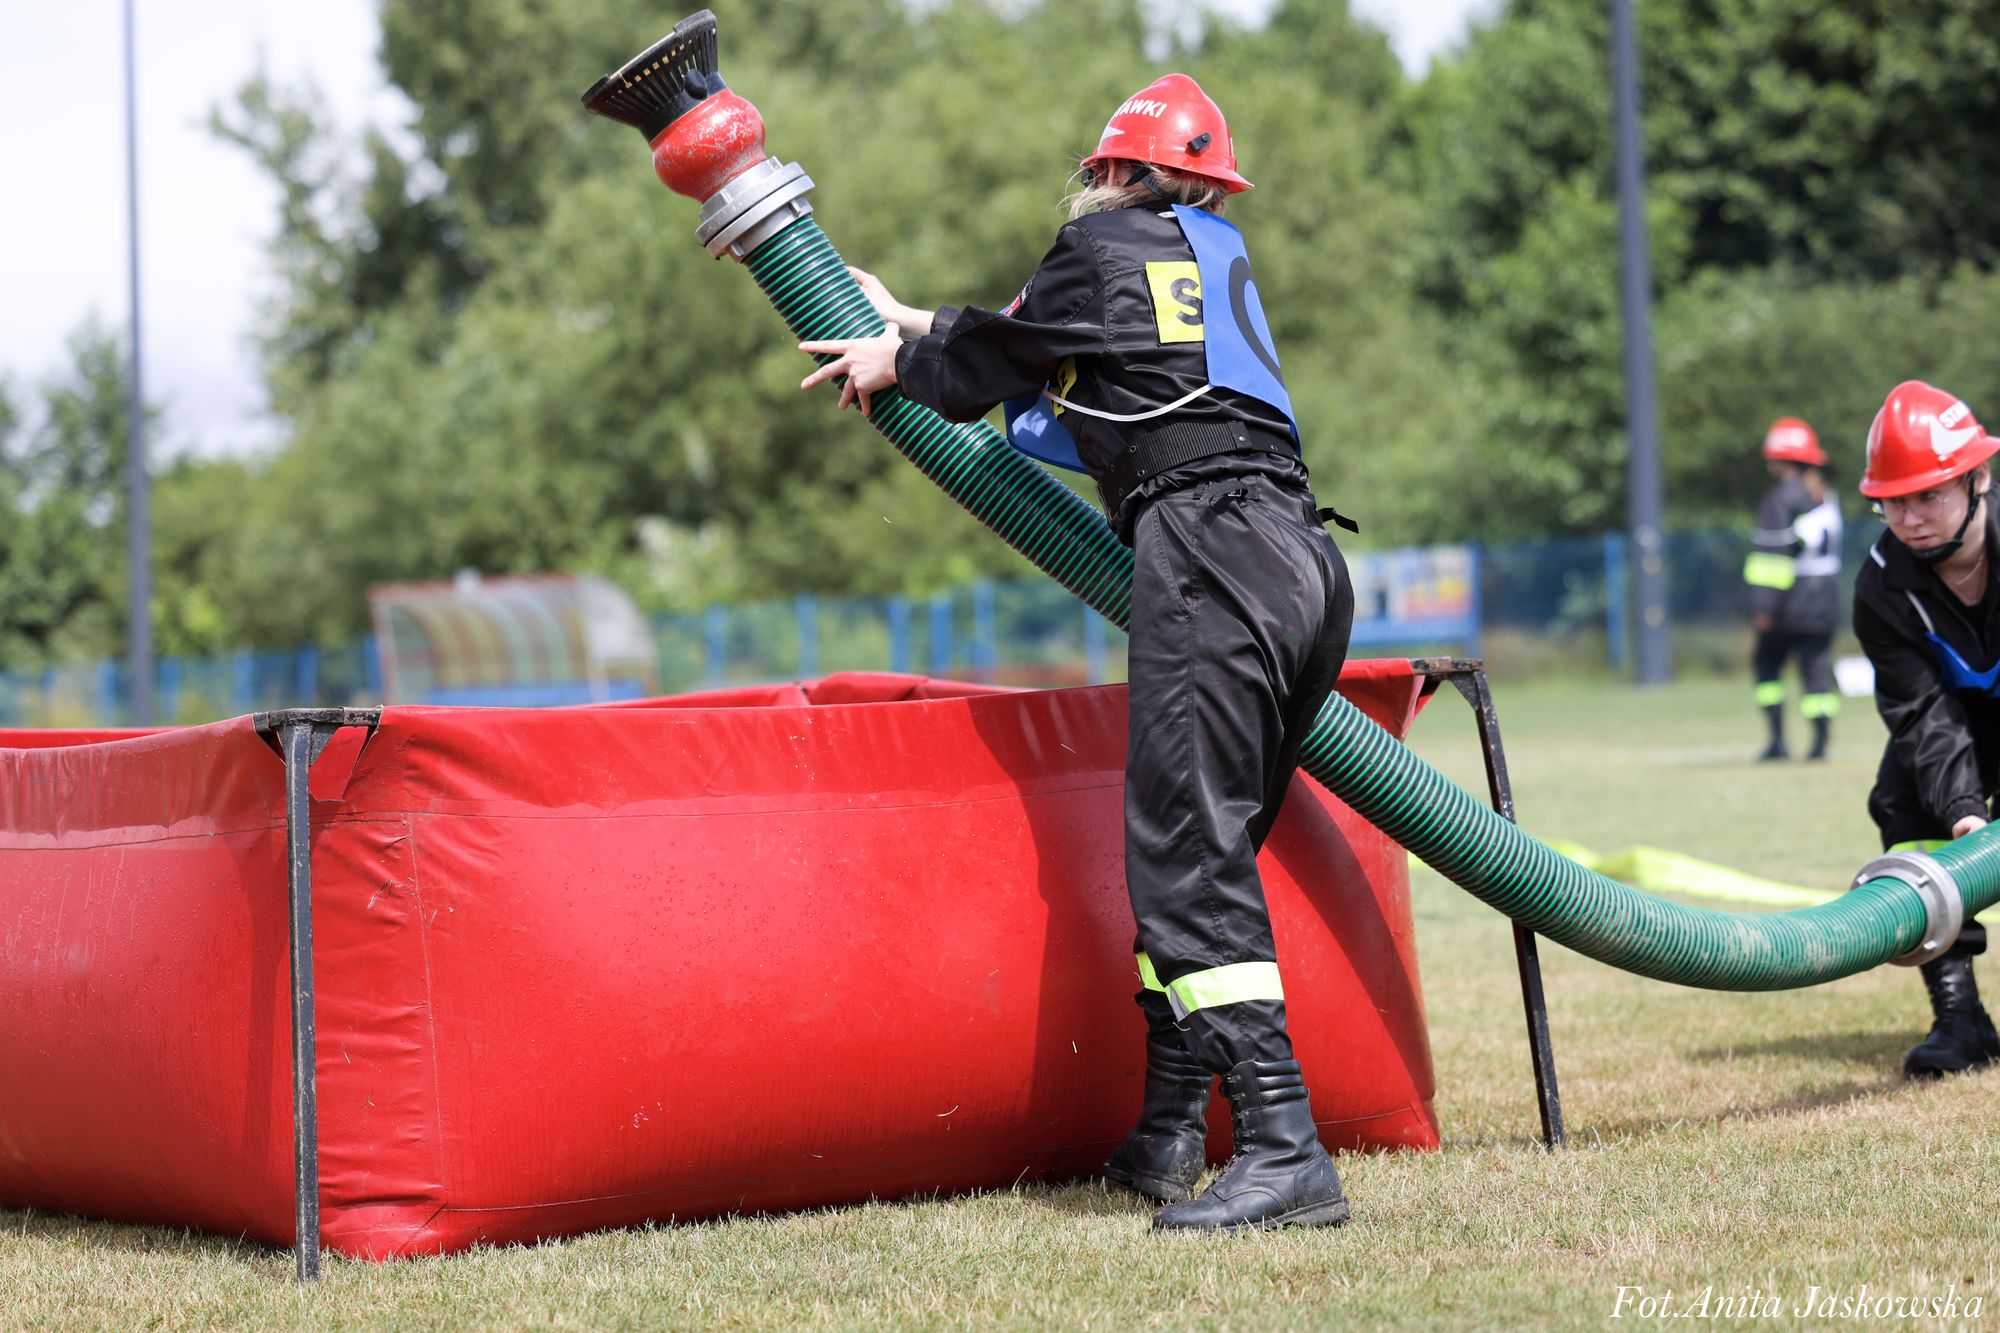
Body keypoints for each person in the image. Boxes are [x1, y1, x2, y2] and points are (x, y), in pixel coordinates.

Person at [796, 74, 1356, 1232]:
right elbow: (1041, 343)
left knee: (1184, 860)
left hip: (1209, 553)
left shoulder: (1098, 249)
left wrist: (895, 360)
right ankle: (1162, 1130)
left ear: (1115, 174)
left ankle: (1282, 1142)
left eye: (1096, 176)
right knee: (1200, 852)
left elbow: (983, 374)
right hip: (1300, 557)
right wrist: (909, 318)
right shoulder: (1208, 258)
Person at [1853, 380, 2000, 1077]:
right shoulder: (1881, 586)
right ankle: (1959, 1016)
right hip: (1958, 718)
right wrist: (1965, 813)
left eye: (1928, 495)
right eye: (1893, 499)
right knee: (1903, 801)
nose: (1908, 516)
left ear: (1979, 479)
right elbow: (1921, 714)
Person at [1744, 418, 1843, 761]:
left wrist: (1763, 608)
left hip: (1790, 604)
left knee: (1766, 666)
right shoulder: (1826, 497)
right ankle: (1820, 745)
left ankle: (1777, 742)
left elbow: (1772, 561)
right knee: (1816, 674)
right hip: (1824, 602)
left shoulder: (1781, 499)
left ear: (1779, 460)